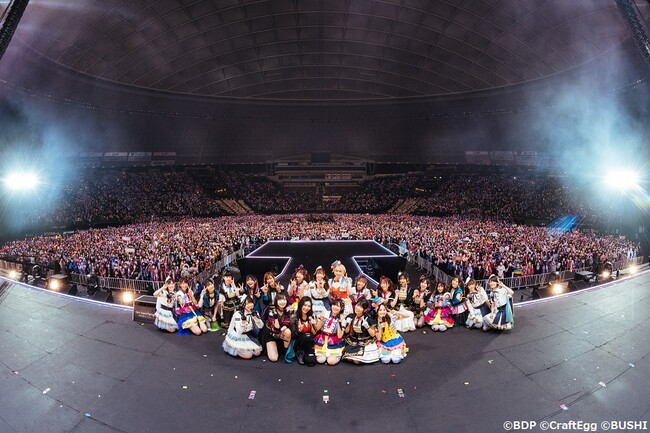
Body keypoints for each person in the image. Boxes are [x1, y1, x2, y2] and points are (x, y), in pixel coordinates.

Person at [342, 299, 380, 364]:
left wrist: (367, 326)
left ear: (364, 310)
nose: (357, 308)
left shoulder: (368, 318)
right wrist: (348, 324)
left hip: (365, 340)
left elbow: (373, 334)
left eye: (361, 307)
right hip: (354, 340)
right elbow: (346, 331)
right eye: (357, 305)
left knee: (356, 361)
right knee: (348, 359)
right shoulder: (351, 316)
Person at [313, 299, 346, 365]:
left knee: (331, 362)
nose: (335, 307)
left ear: (341, 308)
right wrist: (321, 320)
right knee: (320, 360)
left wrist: (339, 323)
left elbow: (339, 336)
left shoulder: (343, 318)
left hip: (333, 341)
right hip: (322, 339)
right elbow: (317, 329)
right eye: (334, 305)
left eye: (338, 306)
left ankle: (337, 355)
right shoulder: (325, 313)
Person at [290, 296, 321, 365]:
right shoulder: (294, 317)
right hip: (298, 342)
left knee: (311, 361)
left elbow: (314, 333)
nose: (306, 308)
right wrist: (299, 330)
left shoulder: (311, 316)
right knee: (307, 335)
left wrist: (313, 324)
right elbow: (293, 335)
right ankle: (299, 353)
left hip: (309, 341)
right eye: (305, 305)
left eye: (309, 306)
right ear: (301, 305)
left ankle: (308, 352)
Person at [262, 293, 292, 362]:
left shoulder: (287, 310)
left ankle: (285, 351)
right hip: (271, 334)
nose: (282, 302)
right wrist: (275, 317)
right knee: (274, 358)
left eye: (284, 300)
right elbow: (275, 328)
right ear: (276, 301)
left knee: (288, 331)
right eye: (280, 300)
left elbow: (286, 323)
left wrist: (284, 327)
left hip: (281, 333)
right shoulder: (271, 310)